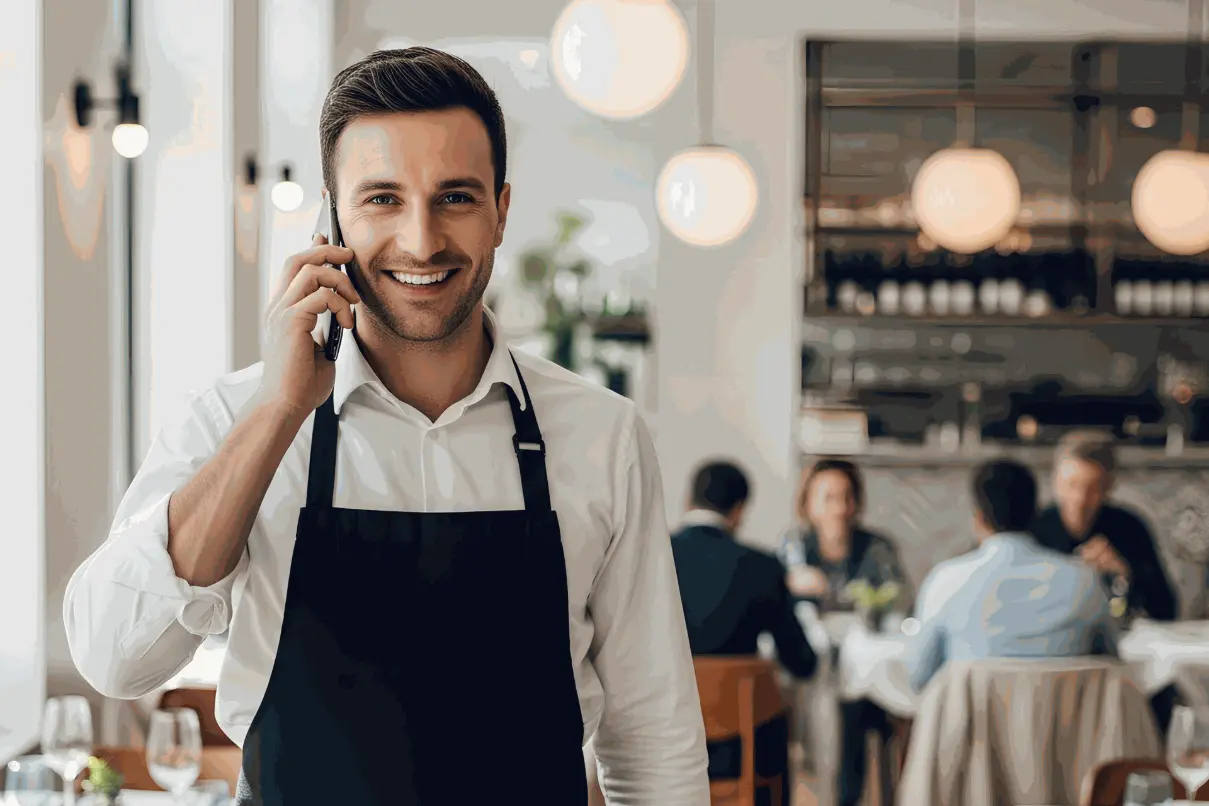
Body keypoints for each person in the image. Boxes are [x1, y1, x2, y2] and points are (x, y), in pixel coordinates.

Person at [63, 48, 708, 805]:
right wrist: (276, 413)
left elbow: (654, 741)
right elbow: (114, 660)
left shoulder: (603, 435)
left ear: (501, 212)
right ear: (331, 219)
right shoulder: (238, 419)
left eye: (455, 197)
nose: (422, 240)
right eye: (382, 199)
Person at [671, 460, 816, 806]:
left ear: (688, 501)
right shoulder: (762, 567)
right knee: (773, 715)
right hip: (738, 751)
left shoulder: (653, 557)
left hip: (662, 740)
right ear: (739, 510)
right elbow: (802, 662)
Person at [905, 460, 1118, 693]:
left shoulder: (945, 582)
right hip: (1062, 717)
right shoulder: (1085, 582)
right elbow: (1111, 665)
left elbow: (919, 677)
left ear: (979, 519)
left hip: (974, 716)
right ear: (1035, 514)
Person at [1029, 429, 1180, 733]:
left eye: (1092, 489)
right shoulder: (1034, 530)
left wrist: (1126, 571)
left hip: (1118, 654)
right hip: (1052, 653)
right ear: (1055, 482)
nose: (1079, 499)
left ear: (1109, 488)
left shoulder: (1129, 527)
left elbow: (1167, 609)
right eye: (1071, 486)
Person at [778, 458, 907, 806]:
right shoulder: (794, 546)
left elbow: (898, 603)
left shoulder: (878, 548)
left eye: (846, 497)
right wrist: (791, 584)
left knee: (854, 700)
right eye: (828, 497)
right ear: (807, 503)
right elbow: (780, 608)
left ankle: (847, 795)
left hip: (867, 667)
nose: (839, 508)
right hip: (809, 667)